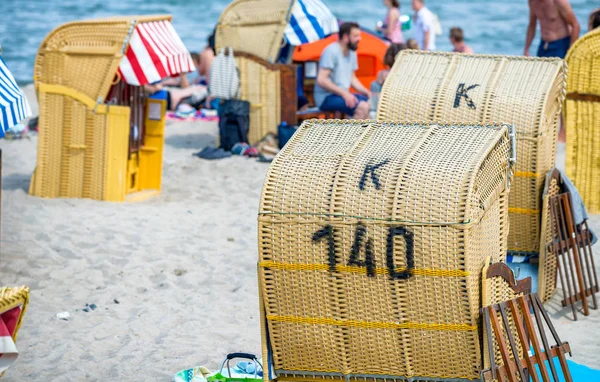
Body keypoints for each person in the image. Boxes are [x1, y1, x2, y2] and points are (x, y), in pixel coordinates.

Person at [314, 22, 371, 119]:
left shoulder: (352, 52)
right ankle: (353, 134)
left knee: (370, 104)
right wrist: (344, 94)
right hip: (326, 97)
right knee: (362, 106)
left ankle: (362, 133)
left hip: (342, 95)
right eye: (356, 36)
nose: (359, 39)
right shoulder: (331, 51)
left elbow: (352, 78)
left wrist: (367, 93)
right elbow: (321, 79)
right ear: (345, 37)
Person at [370, 43, 407, 112]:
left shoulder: (383, 73)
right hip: (395, 106)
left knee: (374, 84)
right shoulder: (407, 75)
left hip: (386, 107)